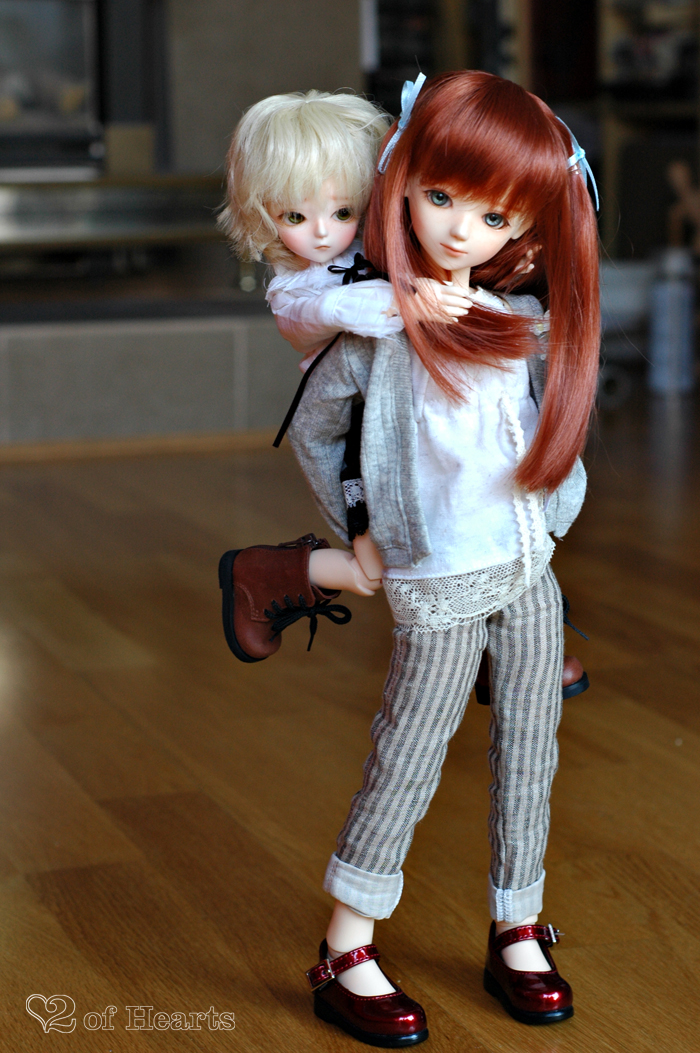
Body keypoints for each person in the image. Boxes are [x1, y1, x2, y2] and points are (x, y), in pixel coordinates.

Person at [282, 70, 599, 1046]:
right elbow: (313, 431)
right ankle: (346, 946)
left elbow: (544, 427)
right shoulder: (377, 323)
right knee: (410, 753)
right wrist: (357, 527)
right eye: (441, 197)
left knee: (531, 748)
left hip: (527, 569)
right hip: (436, 577)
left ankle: (518, 924)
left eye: (495, 217)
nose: (462, 231)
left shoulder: (516, 322)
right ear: (402, 180)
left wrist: (553, 517)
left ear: (528, 226)